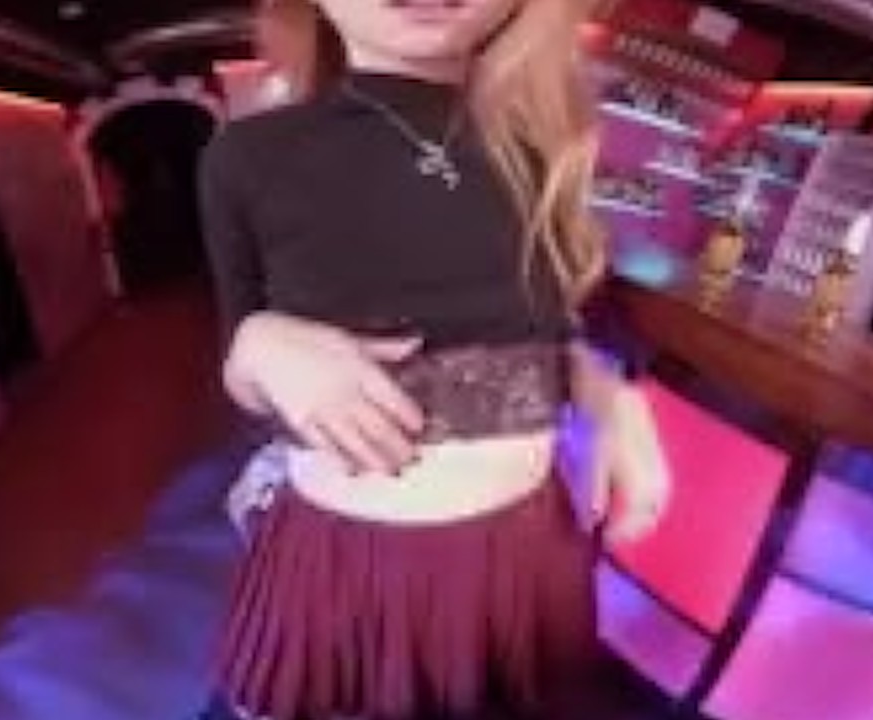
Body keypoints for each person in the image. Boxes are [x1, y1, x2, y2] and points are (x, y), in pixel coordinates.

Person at [198, 0, 671, 717]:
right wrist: (261, 341)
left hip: (523, 559)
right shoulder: (249, 156)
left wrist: (606, 389)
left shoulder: (543, 151)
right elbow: (239, 366)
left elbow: (562, 320)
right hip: (350, 571)